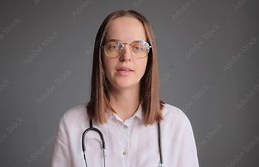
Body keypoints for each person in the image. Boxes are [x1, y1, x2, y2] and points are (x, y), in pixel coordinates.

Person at [51, 10, 199, 167]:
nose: (126, 56)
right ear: (100, 55)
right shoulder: (72, 124)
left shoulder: (176, 124)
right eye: (115, 46)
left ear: (150, 58)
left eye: (137, 47)